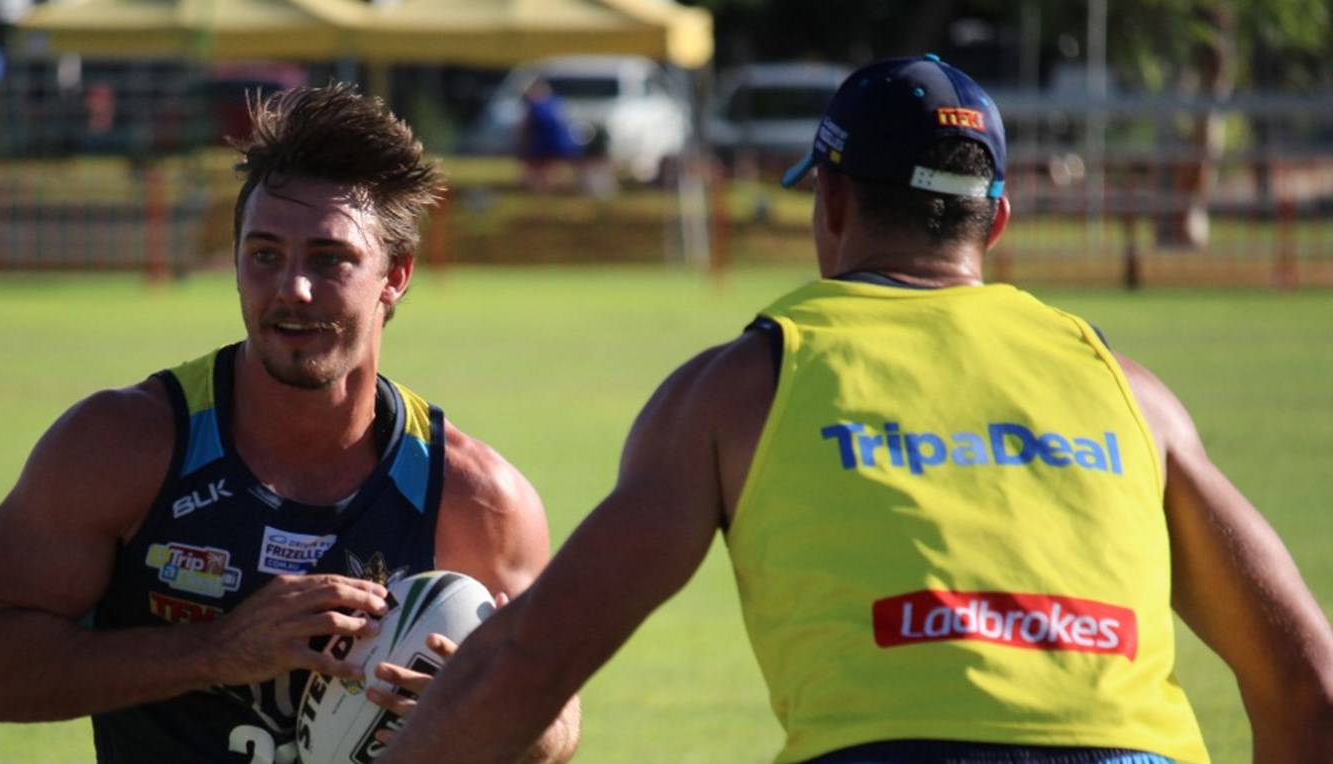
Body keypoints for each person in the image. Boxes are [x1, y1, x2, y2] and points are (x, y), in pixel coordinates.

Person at [380, 55, 1333, 764]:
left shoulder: (740, 387)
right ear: (996, 221)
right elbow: (1311, 685)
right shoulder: (1133, 393)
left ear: (829, 201)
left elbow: (530, 663)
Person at [0, 83, 579, 764]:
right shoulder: (123, 447)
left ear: (395, 276)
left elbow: (558, 729)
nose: (292, 288)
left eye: (329, 259)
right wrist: (215, 650)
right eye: (264, 254)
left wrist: (491, 709)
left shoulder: (476, 501)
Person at [517, 78, 584, 193]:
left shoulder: (537, 107)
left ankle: (542, 189)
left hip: (546, 144)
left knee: (538, 169)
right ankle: (562, 188)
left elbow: (529, 127)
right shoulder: (557, 102)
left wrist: (522, 142)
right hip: (564, 143)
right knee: (555, 170)